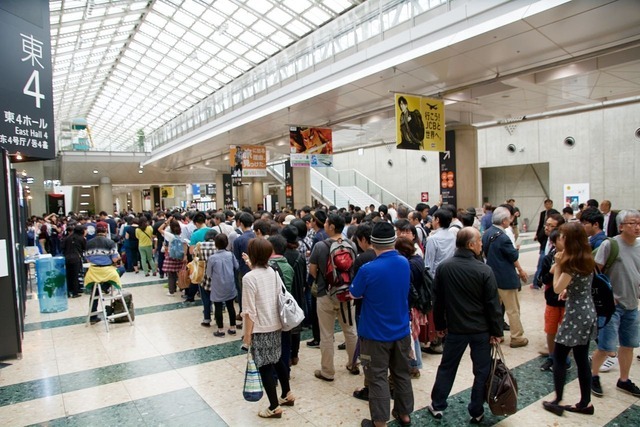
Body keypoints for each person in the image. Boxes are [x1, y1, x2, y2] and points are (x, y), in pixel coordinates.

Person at [427, 227, 502, 423]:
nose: (481, 244)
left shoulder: (444, 268)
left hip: (455, 329)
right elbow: (492, 305)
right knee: (481, 371)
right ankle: (476, 410)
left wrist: (441, 324)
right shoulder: (484, 270)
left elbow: (439, 301)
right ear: (471, 245)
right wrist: (496, 331)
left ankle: (437, 405)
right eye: (479, 241)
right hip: (481, 331)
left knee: (447, 367)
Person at [350, 222, 414, 427]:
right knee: (401, 374)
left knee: (377, 377)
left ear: (372, 244)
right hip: (401, 330)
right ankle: (404, 414)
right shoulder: (404, 262)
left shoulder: (368, 269)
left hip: (374, 333)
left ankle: (379, 422)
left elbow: (354, 293)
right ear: (393, 241)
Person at [542, 222, 597, 416]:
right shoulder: (586, 256)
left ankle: (557, 400)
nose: (560, 239)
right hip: (587, 309)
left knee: (558, 355)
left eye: (563, 236)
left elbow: (556, 287)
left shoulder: (570, 261)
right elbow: (579, 284)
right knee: (581, 358)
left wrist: (558, 264)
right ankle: (585, 402)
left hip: (575, 314)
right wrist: (569, 290)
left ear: (570, 240)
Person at [242, 238, 294, 419]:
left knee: (264, 366)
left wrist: (247, 336)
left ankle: (274, 407)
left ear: (253, 254)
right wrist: (251, 265)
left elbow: (249, 311)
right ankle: (287, 394)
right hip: (276, 324)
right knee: (278, 359)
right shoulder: (272, 271)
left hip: (260, 327)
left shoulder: (249, 278)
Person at [591, 209, 640, 398]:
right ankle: (593, 376)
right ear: (621, 226)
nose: (637, 227)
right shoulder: (609, 245)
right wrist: (605, 296)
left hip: (632, 305)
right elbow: (595, 272)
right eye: (632, 223)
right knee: (606, 347)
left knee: (629, 345)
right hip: (612, 308)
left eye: (638, 223)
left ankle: (624, 380)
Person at [309, 213, 359, 381]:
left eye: (327, 223)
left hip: (325, 294)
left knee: (326, 334)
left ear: (331, 227)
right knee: (350, 331)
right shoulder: (351, 244)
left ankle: (328, 371)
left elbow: (312, 271)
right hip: (347, 294)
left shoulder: (320, 246)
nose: (324, 225)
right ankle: (353, 364)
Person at [482, 206, 529, 348]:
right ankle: (517, 337)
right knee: (512, 309)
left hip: (491, 277)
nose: (510, 221)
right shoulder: (503, 237)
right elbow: (513, 256)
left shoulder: (486, 233)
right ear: (504, 221)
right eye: (509, 218)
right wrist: (520, 268)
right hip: (506, 278)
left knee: (495, 309)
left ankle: (497, 334)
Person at [84, 222, 122, 325]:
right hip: (107, 272)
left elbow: (87, 259)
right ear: (106, 231)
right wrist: (118, 258)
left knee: (94, 292)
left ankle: (93, 317)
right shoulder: (110, 242)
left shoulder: (88, 243)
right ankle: (105, 286)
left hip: (93, 272)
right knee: (121, 270)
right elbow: (114, 259)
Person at [207, 233, 239, 337]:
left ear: (215, 244)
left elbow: (208, 273)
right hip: (230, 284)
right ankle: (233, 327)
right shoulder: (231, 254)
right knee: (231, 306)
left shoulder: (212, 258)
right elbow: (236, 266)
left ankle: (220, 330)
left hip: (218, 285)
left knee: (218, 306)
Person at [158, 219, 188, 296]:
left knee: (171, 274)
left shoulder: (170, 235)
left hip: (172, 256)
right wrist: (185, 255)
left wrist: (166, 222)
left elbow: (159, 229)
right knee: (180, 272)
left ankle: (172, 290)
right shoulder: (182, 235)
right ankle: (182, 288)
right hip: (180, 256)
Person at [60, 224, 86, 298]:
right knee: (75, 275)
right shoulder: (81, 238)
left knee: (68, 275)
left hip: (67, 258)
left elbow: (62, 247)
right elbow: (84, 247)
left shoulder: (67, 238)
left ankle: (68, 291)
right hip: (76, 258)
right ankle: (75, 292)